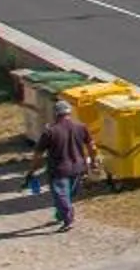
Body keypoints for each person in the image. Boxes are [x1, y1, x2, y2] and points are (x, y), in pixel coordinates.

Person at [35, 99, 96, 233]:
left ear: (55, 114)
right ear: (69, 112)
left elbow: (38, 154)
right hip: (78, 168)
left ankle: (68, 219)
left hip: (59, 169)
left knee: (61, 195)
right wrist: (93, 161)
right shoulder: (81, 127)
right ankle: (61, 213)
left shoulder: (50, 131)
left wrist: (33, 169)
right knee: (67, 194)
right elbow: (92, 146)